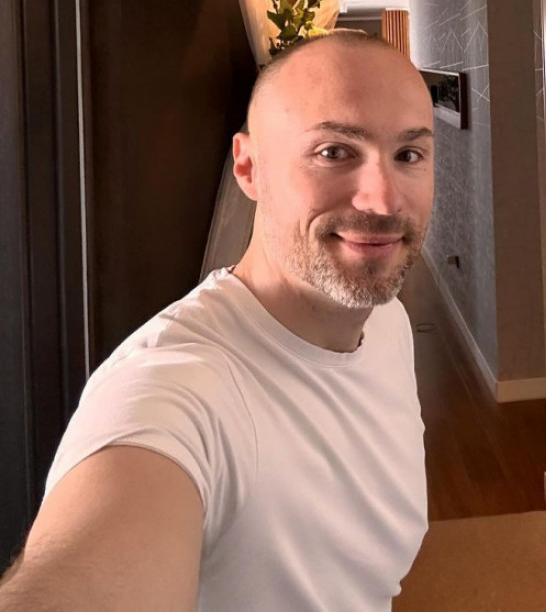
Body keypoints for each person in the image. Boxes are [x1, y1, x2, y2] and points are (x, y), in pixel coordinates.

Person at [0, 31, 436, 612]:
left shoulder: (387, 325)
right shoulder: (177, 389)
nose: (382, 201)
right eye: (334, 152)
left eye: (408, 155)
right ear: (249, 168)